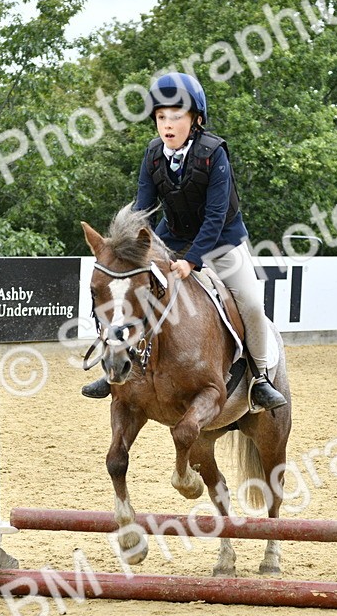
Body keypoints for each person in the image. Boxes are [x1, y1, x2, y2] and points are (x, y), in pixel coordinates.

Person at [81, 72, 287, 410]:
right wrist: (124, 247)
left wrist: (192, 260)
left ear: (196, 120)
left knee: (250, 302)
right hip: (170, 237)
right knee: (128, 287)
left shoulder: (214, 153)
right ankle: (113, 364)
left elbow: (215, 215)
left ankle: (260, 377)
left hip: (223, 241)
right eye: (161, 117)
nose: (168, 124)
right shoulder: (153, 154)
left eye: (176, 116)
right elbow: (143, 208)